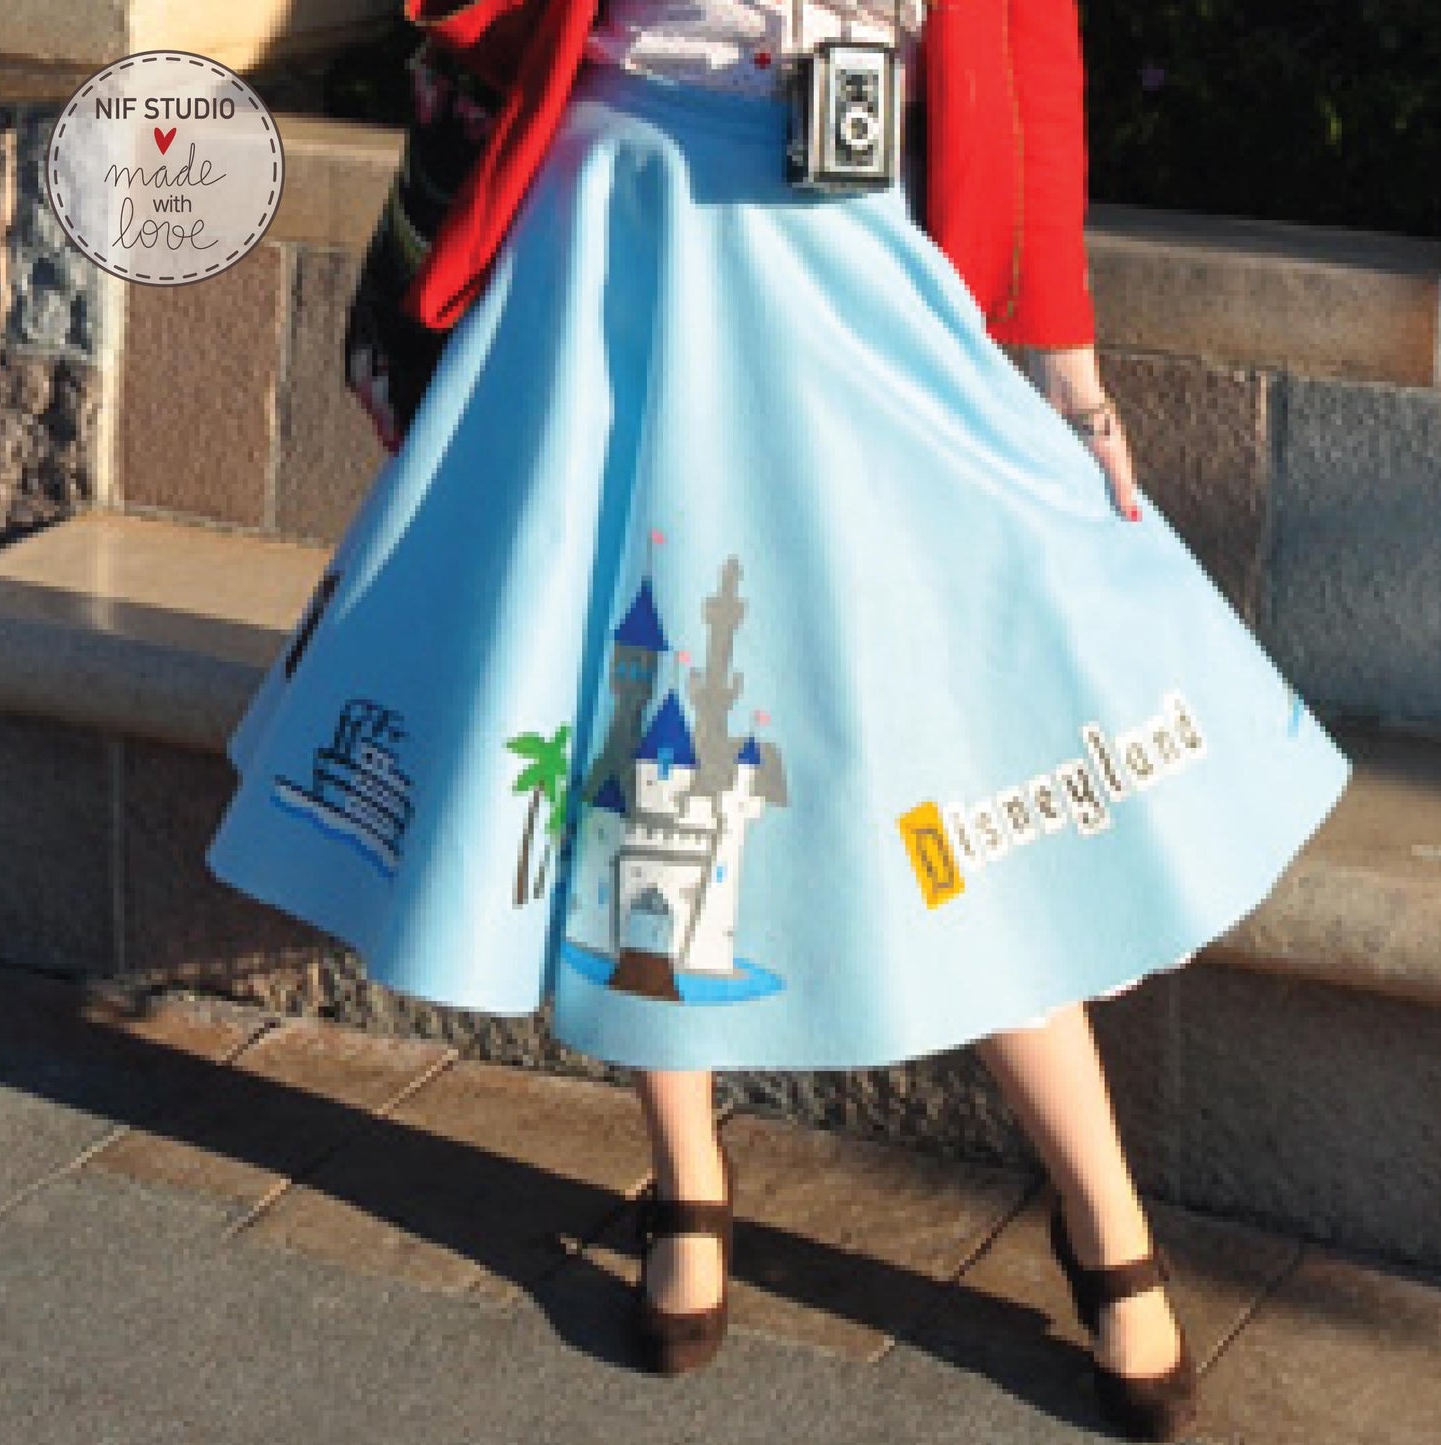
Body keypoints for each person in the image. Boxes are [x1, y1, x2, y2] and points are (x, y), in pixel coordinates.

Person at [205, 2, 1352, 1437]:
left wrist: (1069, 367)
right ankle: (684, 1176)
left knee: (950, 743)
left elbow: (1033, 83)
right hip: (612, 237)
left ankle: (1098, 1208)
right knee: (635, 720)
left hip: (852, 262)